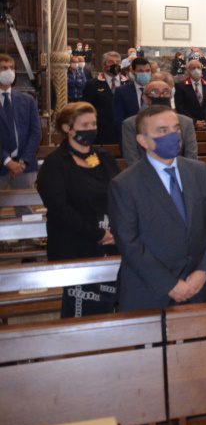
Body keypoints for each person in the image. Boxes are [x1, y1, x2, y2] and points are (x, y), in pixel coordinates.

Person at [109, 105, 206, 425]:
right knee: (155, 362)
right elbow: (129, 243)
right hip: (149, 289)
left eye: (175, 129)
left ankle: (199, 422)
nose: (172, 137)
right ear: (143, 141)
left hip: (197, 282)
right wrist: (170, 284)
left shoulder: (197, 171)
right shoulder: (125, 183)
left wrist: (202, 272)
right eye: (162, 131)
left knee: (195, 357)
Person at [37, 102, 120, 318]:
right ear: (67, 128)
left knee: (112, 303)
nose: (91, 128)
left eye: (93, 123)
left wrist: (117, 232)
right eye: (85, 124)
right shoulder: (55, 163)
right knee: (80, 309)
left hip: (111, 241)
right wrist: (98, 234)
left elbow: (122, 193)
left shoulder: (104, 157)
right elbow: (59, 208)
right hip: (76, 243)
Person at [121, 80, 198, 165]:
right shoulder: (130, 124)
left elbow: (191, 155)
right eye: (154, 92)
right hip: (144, 175)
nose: (161, 96)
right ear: (145, 98)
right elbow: (132, 158)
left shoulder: (186, 122)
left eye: (166, 92)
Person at [0, 54, 41, 211]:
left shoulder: (27, 99)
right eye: (4, 68)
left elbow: (35, 133)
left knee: (26, 210)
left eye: (11, 68)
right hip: (2, 164)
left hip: (25, 165)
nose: (9, 71)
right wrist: (8, 161)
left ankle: (29, 237)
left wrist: (23, 161)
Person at [82, 51, 124, 145]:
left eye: (118, 62)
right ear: (104, 64)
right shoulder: (92, 85)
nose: (115, 65)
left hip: (123, 134)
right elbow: (86, 109)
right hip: (101, 134)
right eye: (111, 62)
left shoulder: (128, 83)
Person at [175, 58, 206, 128]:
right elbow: (180, 107)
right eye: (193, 68)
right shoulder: (181, 86)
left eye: (199, 67)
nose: (196, 70)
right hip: (189, 124)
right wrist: (194, 121)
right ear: (188, 71)